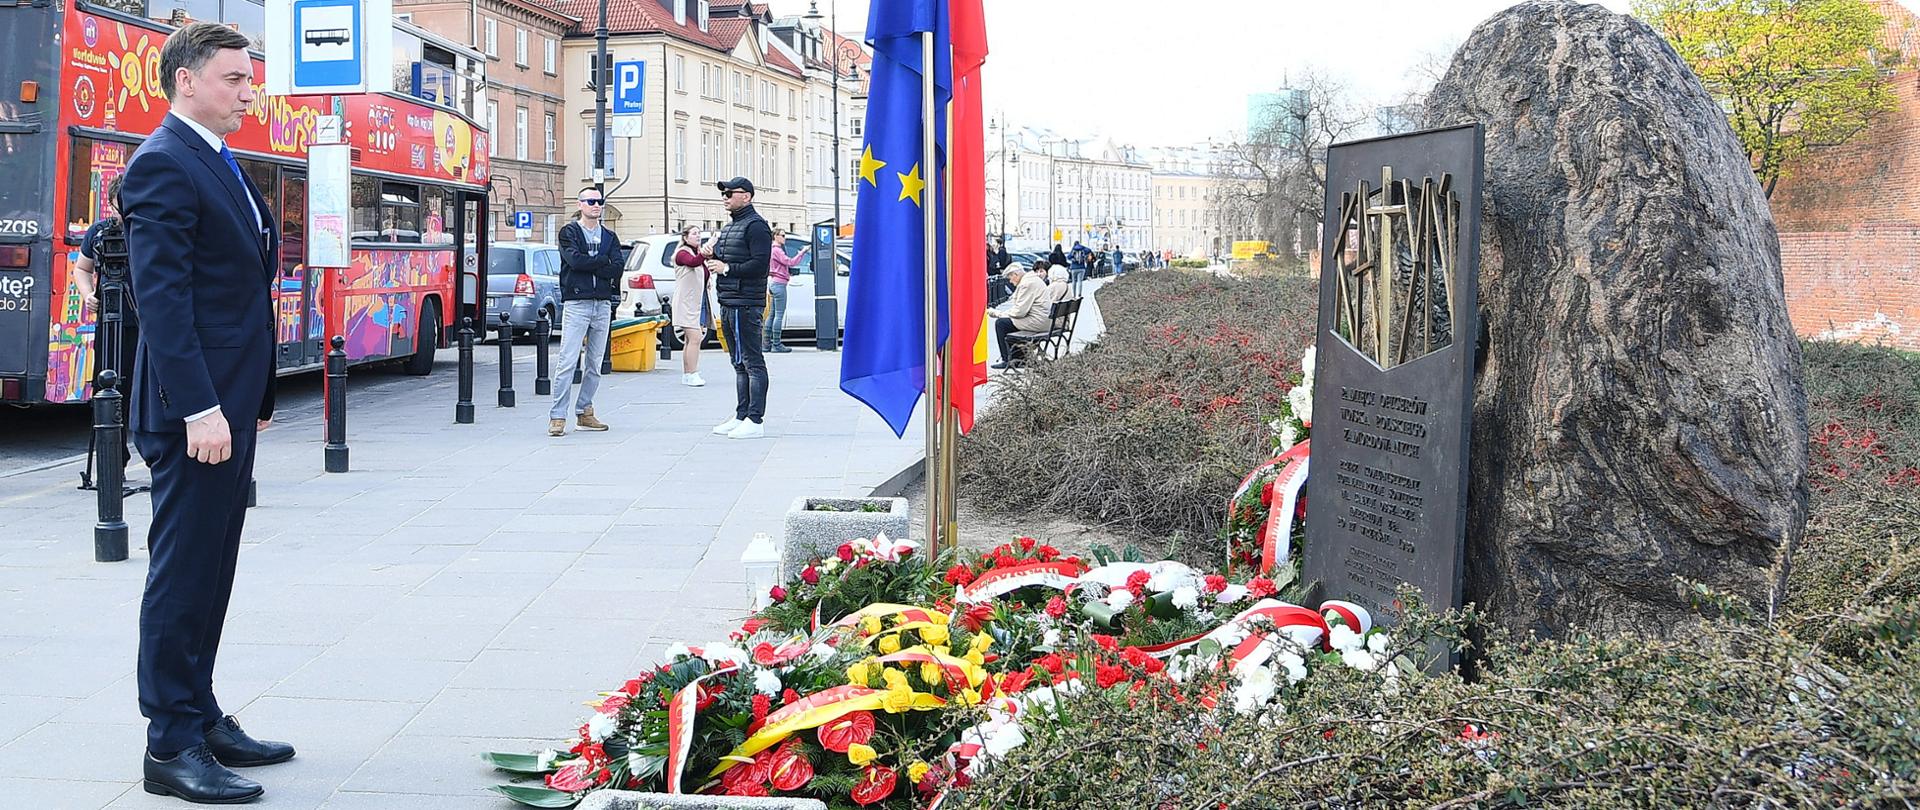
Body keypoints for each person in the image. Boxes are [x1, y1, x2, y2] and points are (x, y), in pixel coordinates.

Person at [122, 23, 292, 805]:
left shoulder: (215, 157)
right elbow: (160, 301)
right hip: (194, 414)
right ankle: (169, 744)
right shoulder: (162, 162)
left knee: (212, 572)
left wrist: (248, 401)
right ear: (186, 80)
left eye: (248, 78)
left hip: (226, 407)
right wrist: (199, 408)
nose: (247, 91)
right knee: (182, 576)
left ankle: (202, 712)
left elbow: (237, 289)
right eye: (233, 78)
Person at [73, 175, 138, 475]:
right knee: (107, 385)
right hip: (109, 321)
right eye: (116, 205)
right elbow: (82, 268)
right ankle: (112, 461)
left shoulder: (147, 228)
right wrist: (88, 295)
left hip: (142, 321)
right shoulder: (99, 233)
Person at [549, 187, 623, 437]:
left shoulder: (610, 237)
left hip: (601, 303)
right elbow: (575, 262)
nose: (596, 205)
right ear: (580, 204)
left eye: (600, 202)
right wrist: (601, 262)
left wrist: (595, 266)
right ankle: (558, 416)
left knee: (595, 363)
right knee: (567, 361)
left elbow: (617, 268)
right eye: (591, 201)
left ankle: (585, 411)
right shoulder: (569, 232)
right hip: (577, 303)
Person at [705, 177, 772, 439]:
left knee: (752, 362)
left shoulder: (756, 227)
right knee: (738, 362)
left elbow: (759, 265)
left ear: (747, 196)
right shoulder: (734, 226)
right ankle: (741, 414)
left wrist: (727, 268)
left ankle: (755, 419)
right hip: (730, 300)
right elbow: (728, 257)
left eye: (731, 193)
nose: (725, 197)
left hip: (746, 303)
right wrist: (713, 253)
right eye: (724, 193)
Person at [987, 265, 1049, 370]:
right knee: (1008, 322)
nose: (1010, 281)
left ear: (1016, 275)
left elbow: (1020, 312)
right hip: (1043, 320)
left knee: (1001, 324)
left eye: (1010, 278)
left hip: (1038, 322)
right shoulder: (1032, 280)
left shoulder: (1027, 284)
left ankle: (1008, 360)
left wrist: (998, 313)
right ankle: (1019, 357)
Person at [670, 225, 708, 387]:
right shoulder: (682, 253)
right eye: (694, 233)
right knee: (695, 337)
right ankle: (692, 373)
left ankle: (688, 373)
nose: (698, 236)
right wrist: (706, 250)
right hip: (686, 302)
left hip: (694, 301)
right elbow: (693, 263)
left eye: (699, 233)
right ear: (685, 237)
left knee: (689, 339)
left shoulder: (694, 251)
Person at [766, 227, 801, 353]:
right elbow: (790, 262)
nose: (784, 238)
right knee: (778, 315)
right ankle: (776, 344)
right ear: (775, 236)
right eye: (782, 235)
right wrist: (802, 253)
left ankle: (766, 343)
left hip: (773, 283)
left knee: (772, 314)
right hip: (779, 284)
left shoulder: (771, 249)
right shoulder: (777, 250)